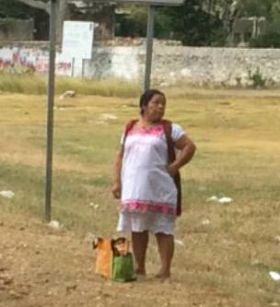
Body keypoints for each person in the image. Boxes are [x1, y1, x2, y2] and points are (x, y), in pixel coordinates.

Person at [112, 89, 196, 281]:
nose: (160, 107)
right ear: (143, 105)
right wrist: (117, 181)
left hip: (160, 188)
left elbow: (190, 147)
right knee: (138, 227)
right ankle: (139, 267)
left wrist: (175, 166)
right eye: (156, 103)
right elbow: (121, 155)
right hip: (135, 187)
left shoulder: (170, 129)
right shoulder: (130, 127)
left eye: (163, 104)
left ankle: (165, 270)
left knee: (163, 228)